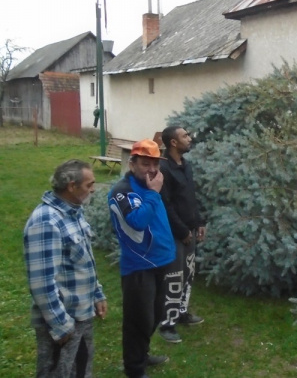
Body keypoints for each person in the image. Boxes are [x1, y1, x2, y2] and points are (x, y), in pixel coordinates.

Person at [23, 159, 108, 377]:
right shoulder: (46, 222)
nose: (93, 190)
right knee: (57, 372)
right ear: (72, 185)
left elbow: (85, 260)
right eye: (89, 185)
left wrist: (97, 294)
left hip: (82, 314)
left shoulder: (74, 212)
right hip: (63, 321)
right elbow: (42, 283)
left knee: (80, 370)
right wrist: (60, 325)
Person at [108, 139, 176, 378]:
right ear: (132, 163)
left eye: (155, 163)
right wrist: (153, 194)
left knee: (155, 315)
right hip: (139, 266)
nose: (151, 169)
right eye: (145, 163)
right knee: (138, 319)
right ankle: (134, 368)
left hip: (161, 261)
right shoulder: (122, 191)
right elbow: (137, 221)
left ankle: (142, 354)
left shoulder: (150, 186)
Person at [157, 126, 206, 344]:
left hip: (190, 231)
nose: (190, 138)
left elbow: (190, 198)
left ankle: (182, 313)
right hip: (175, 234)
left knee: (188, 274)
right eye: (185, 136)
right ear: (173, 143)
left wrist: (198, 223)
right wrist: (182, 231)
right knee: (173, 278)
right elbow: (166, 205)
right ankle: (167, 324)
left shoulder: (185, 166)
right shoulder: (163, 169)